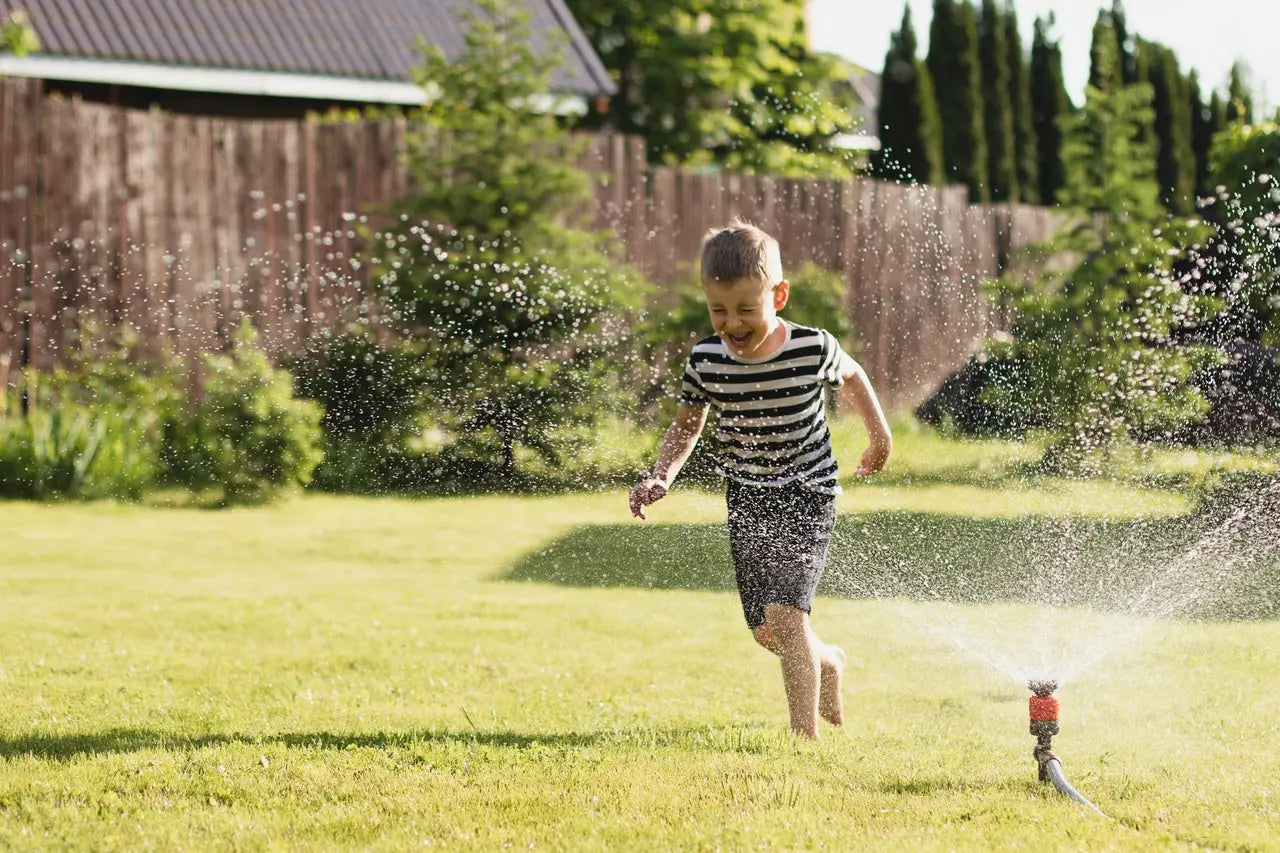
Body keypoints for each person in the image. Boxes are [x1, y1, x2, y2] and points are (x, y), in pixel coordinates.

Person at [629, 220, 892, 738]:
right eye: (719, 310)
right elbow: (687, 425)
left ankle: (802, 738)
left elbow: (854, 376)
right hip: (747, 495)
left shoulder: (811, 347)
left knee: (787, 616)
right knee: (768, 630)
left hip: (808, 492)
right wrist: (662, 476)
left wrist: (879, 438)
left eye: (746, 309)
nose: (732, 322)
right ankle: (828, 662)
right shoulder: (706, 360)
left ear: (778, 295)